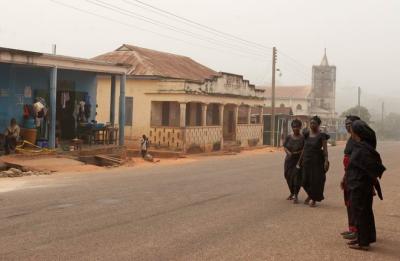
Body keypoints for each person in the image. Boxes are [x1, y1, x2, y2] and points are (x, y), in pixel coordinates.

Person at [346, 120, 385, 251]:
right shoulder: (361, 146)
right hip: (358, 185)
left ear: (356, 132)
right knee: (362, 213)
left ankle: (363, 242)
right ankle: (363, 237)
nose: (349, 131)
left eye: (351, 129)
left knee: (361, 213)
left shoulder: (362, 148)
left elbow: (369, 168)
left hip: (360, 186)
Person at [298, 116, 330, 207]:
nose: (312, 125)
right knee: (304, 181)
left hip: (317, 161)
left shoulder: (322, 135)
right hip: (306, 160)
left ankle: (314, 199)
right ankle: (311, 195)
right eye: (311, 123)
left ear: (318, 125)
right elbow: (304, 148)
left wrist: (326, 161)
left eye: (314, 123)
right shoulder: (307, 134)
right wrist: (299, 161)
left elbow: (325, 149)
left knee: (315, 181)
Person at [341, 115, 361, 240]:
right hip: (349, 174)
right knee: (349, 203)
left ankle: (359, 230)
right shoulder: (350, 139)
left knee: (356, 204)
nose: (347, 126)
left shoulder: (360, 140)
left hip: (356, 176)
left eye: (350, 124)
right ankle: (352, 228)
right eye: (346, 124)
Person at [283, 119, 304, 204]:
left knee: (296, 178)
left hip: (298, 160)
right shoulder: (289, 137)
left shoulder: (302, 138)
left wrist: (297, 153)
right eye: (294, 127)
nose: (295, 128)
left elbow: (304, 149)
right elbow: (284, 146)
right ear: (292, 127)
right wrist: (288, 152)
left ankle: (296, 195)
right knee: (287, 176)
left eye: (297, 127)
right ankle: (291, 192)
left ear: (300, 127)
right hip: (288, 160)